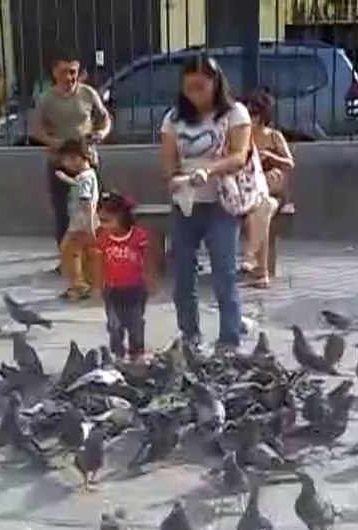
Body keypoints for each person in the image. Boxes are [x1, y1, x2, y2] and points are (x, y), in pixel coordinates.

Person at [160, 53, 252, 351]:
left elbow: (239, 156)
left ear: (215, 83)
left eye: (201, 87)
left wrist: (208, 171)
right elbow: (168, 165)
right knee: (183, 277)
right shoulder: (173, 119)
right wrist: (175, 180)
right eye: (189, 88)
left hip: (221, 202)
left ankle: (229, 340)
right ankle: (190, 335)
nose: (195, 94)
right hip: (186, 204)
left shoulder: (234, 114)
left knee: (224, 274)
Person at [30, 49, 112, 262]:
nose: (69, 77)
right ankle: (67, 259)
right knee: (63, 212)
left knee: (93, 209)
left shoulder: (88, 94)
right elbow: (35, 130)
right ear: (54, 72)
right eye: (64, 72)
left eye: (73, 72)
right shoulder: (46, 99)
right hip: (59, 163)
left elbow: (104, 118)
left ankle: (94, 256)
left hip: (87, 162)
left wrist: (101, 133)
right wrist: (53, 142)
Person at [240, 88, 294, 288]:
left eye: (255, 113)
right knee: (262, 209)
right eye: (249, 113)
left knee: (262, 206)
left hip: (274, 192)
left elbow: (289, 163)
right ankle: (260, 270)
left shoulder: (274, 136)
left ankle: (252, 258)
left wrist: (270, 157)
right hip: (251, 192)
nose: (252, 118)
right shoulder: (243, 137)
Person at [94, 191, 153, 362]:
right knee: (114, 325)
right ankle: (117, 353)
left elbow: (149, 260)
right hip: (112, 290)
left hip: (135, 289)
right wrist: (97, 286)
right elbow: (98, 263)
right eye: (100, 220)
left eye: (107, 220)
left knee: (135, 323)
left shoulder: (138, 236)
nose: (103, 225)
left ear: (122, 217)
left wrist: (150, 279)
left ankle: (137, 353)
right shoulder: (103, 238)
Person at [55, 139, 100, 301]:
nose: (64, 164)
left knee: (69, 253)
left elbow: (86, 202)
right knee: (86, 254)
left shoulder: (84, 178)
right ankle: (89, 283)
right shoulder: (88, 175)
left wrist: (89, 227)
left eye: (66, 160)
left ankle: (79, 286)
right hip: (84, 223)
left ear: (77, 158)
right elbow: (78, 185)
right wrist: (66, 179)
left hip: (80, 225)